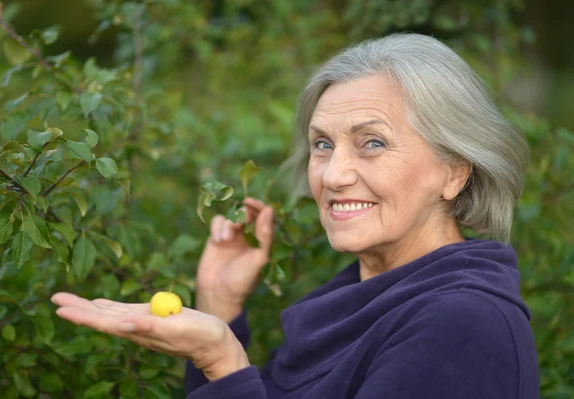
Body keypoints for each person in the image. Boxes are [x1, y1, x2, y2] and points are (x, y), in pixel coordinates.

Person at [51, 33, 540, 398]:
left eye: (372, 142)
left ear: (454, 172)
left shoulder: (462, 326)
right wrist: (219, 305)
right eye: (322, 144)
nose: (332, 175)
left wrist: (222, 360)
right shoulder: (358, 300)